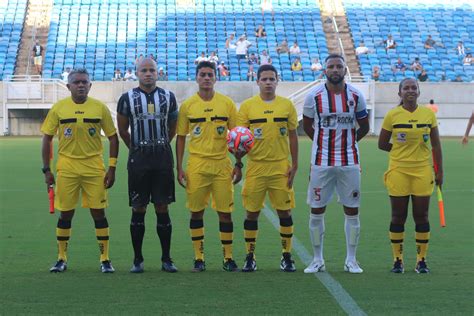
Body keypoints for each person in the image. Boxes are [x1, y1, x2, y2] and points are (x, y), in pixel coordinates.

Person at [41, 68, 119, 273]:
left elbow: (113, 137)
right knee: (65, 214)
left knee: (98, 213)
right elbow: (47, 138)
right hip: (67, 169)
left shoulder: (99, 108)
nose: (81, 85)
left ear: (90, 85)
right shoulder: (58, 108)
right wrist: (46, 169)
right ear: (68, 86)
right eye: (77, 82)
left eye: (85, 82)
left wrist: (112, 167)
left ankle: (105, 259)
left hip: (94, 168)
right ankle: (61, 258)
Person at [302, 54, 370, 274]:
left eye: (339, 66)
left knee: (352, 210)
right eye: (330, 66)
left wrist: (348, 144)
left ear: (345, 70)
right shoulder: (314, 96)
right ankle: (317, 259)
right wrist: (324, 145)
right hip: (321, 162)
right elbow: (308, 125)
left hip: (349, 162)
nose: (335, 69)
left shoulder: (356, 95)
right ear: (324, 70)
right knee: (316, 209)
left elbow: (364, 126)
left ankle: (351, 260)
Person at [176, 61, 242, 272]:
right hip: (197, 165)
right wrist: (179, 167)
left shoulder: (227, 104)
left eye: (210, 74)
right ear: (197, 78)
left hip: (222, 165)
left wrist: (239, 164)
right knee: (196, 213)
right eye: (202, 74)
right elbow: (180, 137)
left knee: (225, 213)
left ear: (216, 77)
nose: (206, 78)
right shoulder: (188, 106)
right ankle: (198, 257)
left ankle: (228, 258)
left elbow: (236, 137)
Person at [117, 58, 178, 273]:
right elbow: (123, 130)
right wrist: (135, 148)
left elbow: (173, 126)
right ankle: (137, 260)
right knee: (138, 207)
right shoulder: (127, 98)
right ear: (137, 73)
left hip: (162, 158)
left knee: (162, 206)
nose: (148, 73)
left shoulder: (168, 97)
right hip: (139, 159)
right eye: (144, 70)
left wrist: (160, 145)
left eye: (152, 70)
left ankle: (166, 259)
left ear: (157, 72)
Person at [237, 64, 299, 272]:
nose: (268, 82)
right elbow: (240, 140)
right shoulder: (247, 107)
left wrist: (295, 163)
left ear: (277, 81)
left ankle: (287, 255)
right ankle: (249, 256)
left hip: (280, 166)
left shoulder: (286, 105)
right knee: (251, 213)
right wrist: (238, 162)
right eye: (264, 79)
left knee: (285, 212)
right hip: (256, 167)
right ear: (257, 81)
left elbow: (292, 135)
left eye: (272, 79)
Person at [378, 77, 443, 274]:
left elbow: (436, 145)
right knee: (398, 216)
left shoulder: (428, 114)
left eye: (413, 87)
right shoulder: (392, 115)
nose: (410, 91)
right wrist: (400, 151)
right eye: (406, 88)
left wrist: (440, 171)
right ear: (400, 93)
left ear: (418, 91)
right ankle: (397, 260)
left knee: (421, 215)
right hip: (398, 170)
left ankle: (421, 260)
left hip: (423, 170)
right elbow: (381, 144)